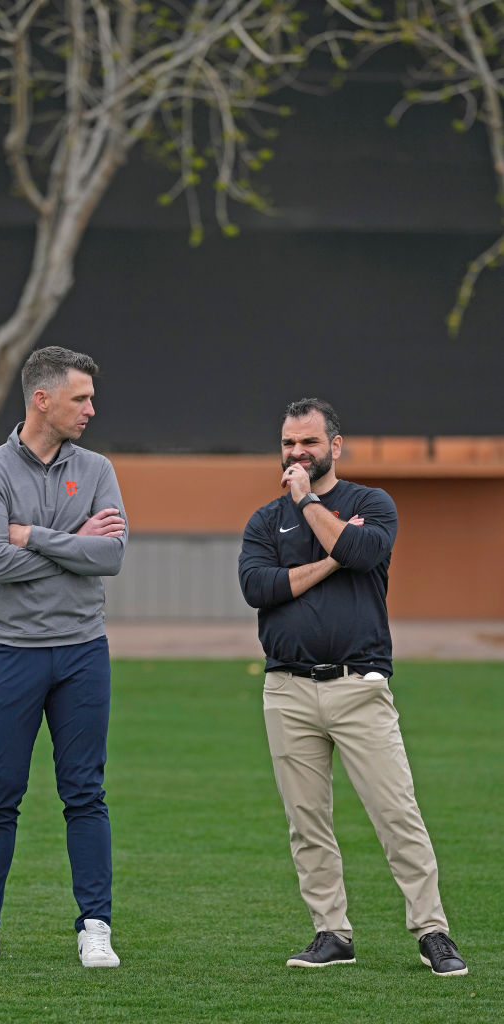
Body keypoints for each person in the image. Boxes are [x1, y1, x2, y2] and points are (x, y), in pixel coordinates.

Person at [238, 397, 467, 976]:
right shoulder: (265, 520)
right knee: (306, 822)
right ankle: (331, 932)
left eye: (308, 443)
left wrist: (309, 503)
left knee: (397, 813)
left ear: (333, 447)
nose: (296, 452)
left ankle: (432, 930)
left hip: (359, 687)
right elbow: (258, 587)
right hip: (287, 692)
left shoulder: (371, 503)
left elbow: (363, 548)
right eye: (289, 443)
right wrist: (332, 559)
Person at [0, 346, 127, 968]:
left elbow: (110, 556)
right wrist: (73, 542)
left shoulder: (97, 469)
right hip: (10, 654)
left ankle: (95, 925)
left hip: (83, 653)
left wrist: (30, 533)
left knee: (84, 792)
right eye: (80, 398)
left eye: (90, 397)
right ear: (43, 399)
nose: (92, 408)